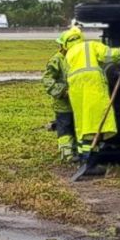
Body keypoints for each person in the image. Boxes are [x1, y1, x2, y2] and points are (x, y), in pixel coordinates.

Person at [61, 27, 120, 155]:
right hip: (92, 84)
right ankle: (91, 158)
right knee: (94, 119)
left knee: (82, 120)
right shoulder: (91, 45)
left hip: (75, 87)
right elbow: (109, 55)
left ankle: (84, 156)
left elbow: (65, 73)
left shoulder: (68, 54)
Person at [43, 31, 76, 161]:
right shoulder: (56, 60)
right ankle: (66, 154)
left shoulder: (77, 58)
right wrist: (62, 91)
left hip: (77, 102)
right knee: (65, 127)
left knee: (75, 127)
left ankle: (76, 151)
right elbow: (48, 80)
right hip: (63, 103)